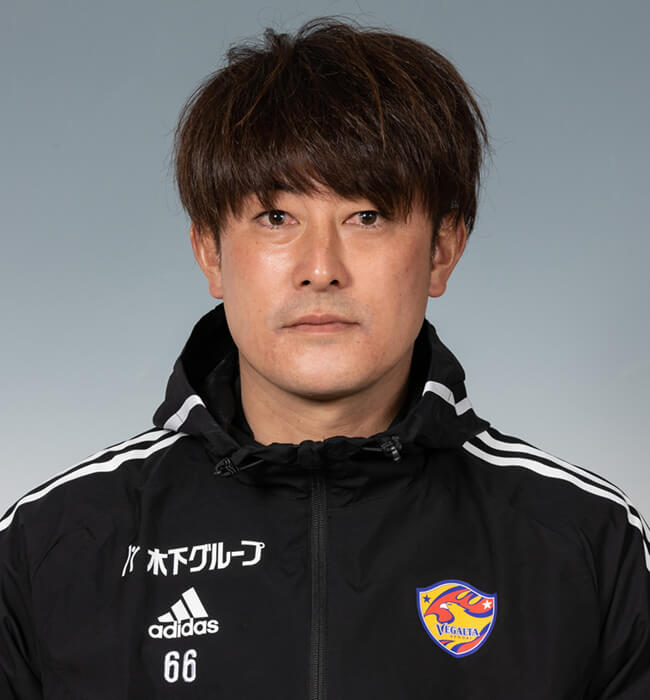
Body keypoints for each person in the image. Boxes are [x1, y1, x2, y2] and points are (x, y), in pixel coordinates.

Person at [1, 15, 648, 699]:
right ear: (211, 253)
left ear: (442, 249)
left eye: (367, 216)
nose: (321, 268)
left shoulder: (583, 540)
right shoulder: (53, 546)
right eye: (276, 218)